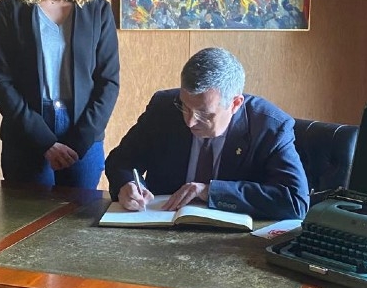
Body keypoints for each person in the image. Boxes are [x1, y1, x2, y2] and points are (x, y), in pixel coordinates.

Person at [0, 0, 120, 188]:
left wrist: (78, 141)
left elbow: (108, 83)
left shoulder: (98, 11)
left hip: (84, 135)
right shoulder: (9, 10)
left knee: (78, 228)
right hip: (27, 135)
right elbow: (1, 84)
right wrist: (45, 141)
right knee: (28, 228)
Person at [105, 47, 309, 220]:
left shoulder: (269, 127)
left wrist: (210, 191)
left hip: (233, 245)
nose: (190, 121)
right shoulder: (164, 108)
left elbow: (294, 201)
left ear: (235, 104)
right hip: (160, 230)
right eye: (184, 106)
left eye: (204, 113)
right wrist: (127, 184)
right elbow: (120, 161)